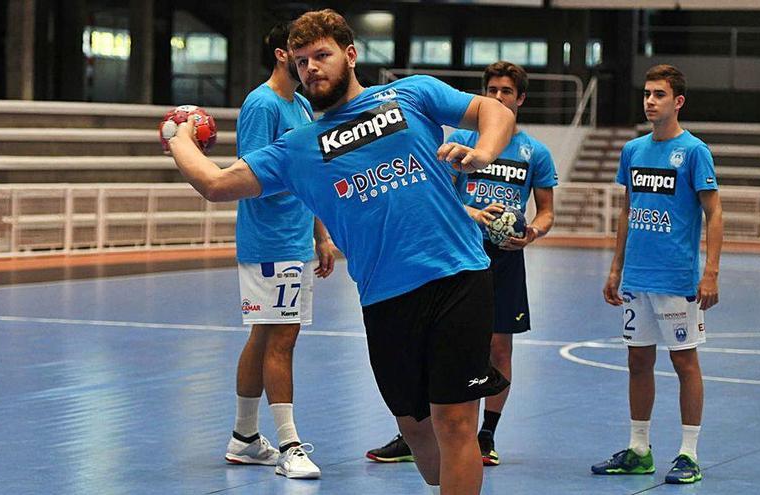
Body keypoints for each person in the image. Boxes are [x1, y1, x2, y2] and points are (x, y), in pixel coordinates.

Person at [165, 9, 516, 494]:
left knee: (456, 424)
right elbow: (215, 183)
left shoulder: (411, 94)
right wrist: (180, 138)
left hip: (459, 275)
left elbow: (495, 112)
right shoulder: (297, 147)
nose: (311, 67)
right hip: (385, 298)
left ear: (350, 56)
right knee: (419, 434)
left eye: (322, 55)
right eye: (302, 60)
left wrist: (483, 153)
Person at [366, 61, 556, 467]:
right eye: (492, 89)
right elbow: (439, 196)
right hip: (455, 255)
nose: (498, 97)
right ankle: (415, 434)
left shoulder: (534, 153)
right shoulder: (462, 141)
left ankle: (485, 434)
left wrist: (533, 233)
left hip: (505, 259)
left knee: (499, 346)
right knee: (429, 347)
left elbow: (546, 213)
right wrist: (470, 211)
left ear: (520, 98)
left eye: (506, 91)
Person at [590, 64, 723, 485]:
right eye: (647, 93)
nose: (650, 101)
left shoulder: (695, 151)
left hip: (677, 278)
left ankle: (688, 453)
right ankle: (639, 449)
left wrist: (712, 273)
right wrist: (615, 269)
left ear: (677, 101)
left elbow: (714, 213)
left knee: (684, 362)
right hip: (637, 279)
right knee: (637, 360)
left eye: (659, 94)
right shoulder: (633, 151)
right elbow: (628, 211)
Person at [221, 22, 335, 480]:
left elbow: (313, 171)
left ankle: (245, 438)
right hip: (270, 240)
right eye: (300, 53)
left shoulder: (303, 104)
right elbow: (253, 178)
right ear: (282, 55)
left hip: (296, 239)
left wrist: (321, 236)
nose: (309, 61)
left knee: (264, 335)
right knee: (281, 337)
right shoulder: (262, 103)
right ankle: (289, 445)